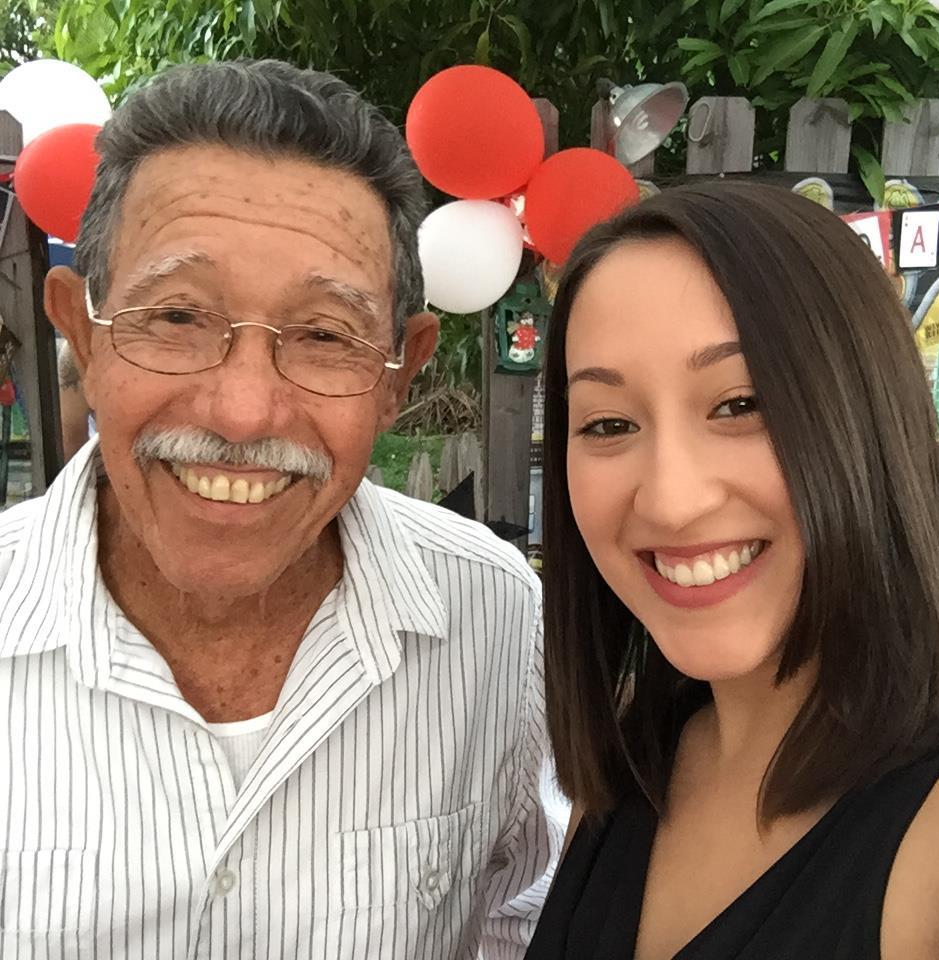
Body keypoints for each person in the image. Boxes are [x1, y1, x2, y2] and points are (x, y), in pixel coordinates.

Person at [0, 59, 561, 959]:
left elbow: (518, 919)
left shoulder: (493, 619)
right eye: (177, 317)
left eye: (325, 334)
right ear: (82, 335)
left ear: (399, 376)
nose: (243, 413)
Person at [525, 181, 939, 959]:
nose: (671, 501)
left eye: (739, 404)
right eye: (609, 423)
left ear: (867, 417)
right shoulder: (633, 769)